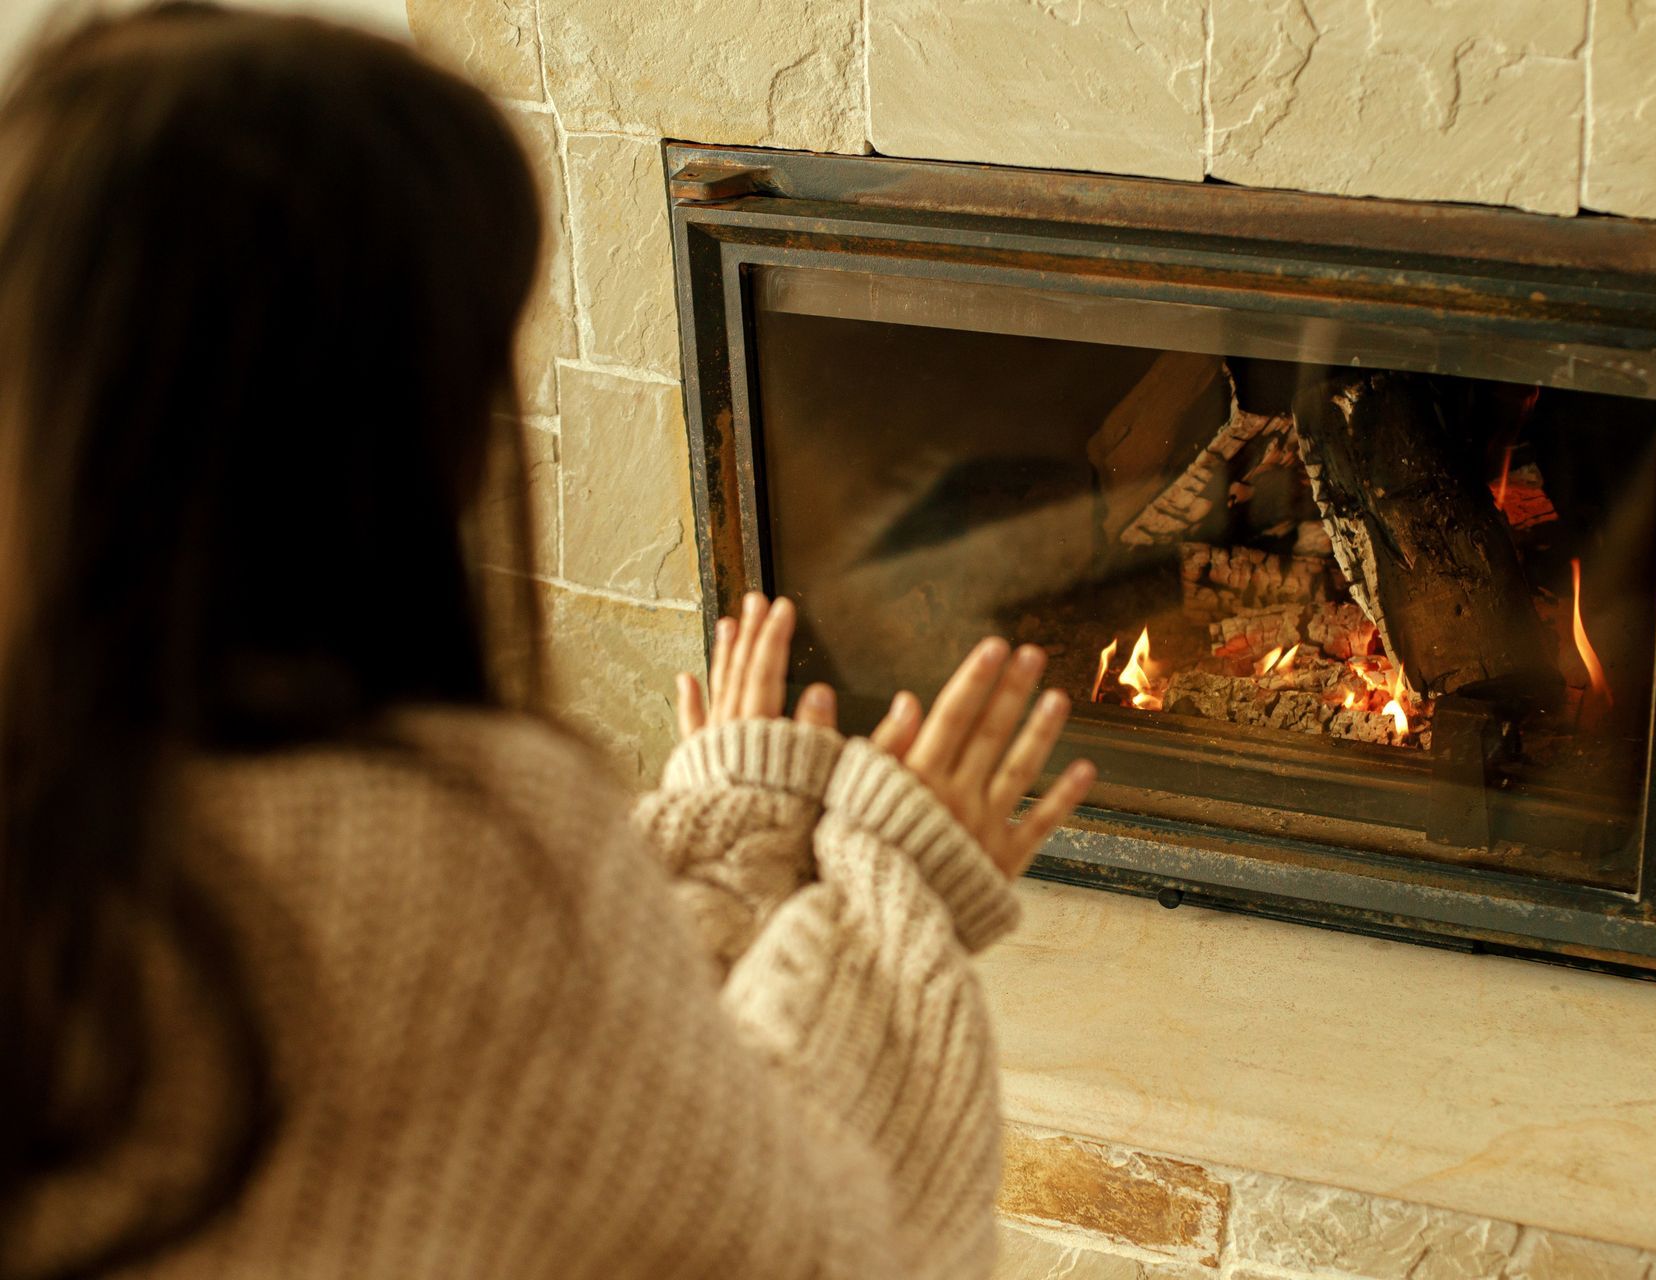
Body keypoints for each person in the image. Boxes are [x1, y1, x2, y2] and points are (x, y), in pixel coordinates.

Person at [0, 5, 1096, 1277]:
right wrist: (895, 892)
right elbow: (807, 1248)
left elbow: (564, 1129)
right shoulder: (441, 855)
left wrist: (730, 838)